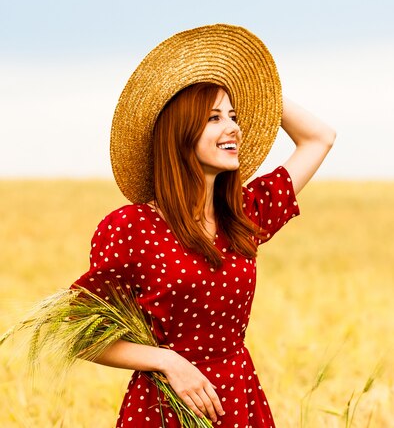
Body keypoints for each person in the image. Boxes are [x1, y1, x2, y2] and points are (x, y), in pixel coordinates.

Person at [71, 24, 335, 427]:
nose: (233, 127)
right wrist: (165, 360)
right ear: (179, 133)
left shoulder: (244, 215)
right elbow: (82, 333)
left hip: (238, 401)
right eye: (213, 118)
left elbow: (319, 137)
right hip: (164, 407)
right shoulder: (131, 228)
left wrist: (258, 87)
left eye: (234, 116)